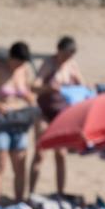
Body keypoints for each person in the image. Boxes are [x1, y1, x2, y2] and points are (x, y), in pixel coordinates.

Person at [0, 42, 39, 204]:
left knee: (20, 164)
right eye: (18, 61)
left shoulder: (24, 71)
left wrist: (30, 99)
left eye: (23, 62)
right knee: (0, 165)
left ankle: (19, 201)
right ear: (11, 58)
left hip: (20, 119)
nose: (19, 65)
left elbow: (27, 92)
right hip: (0, 119)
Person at [31, 36, 88, 196]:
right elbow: (34, 87)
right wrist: (49, 88)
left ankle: (60, 192)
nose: (66, 58)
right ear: (59, 51)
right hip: (45, 112)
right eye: (65, 54)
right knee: (40, 152)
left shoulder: (71, 66)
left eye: (70, 55)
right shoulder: (49, 64)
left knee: (61, 154)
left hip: (62, 114)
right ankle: (31, 191)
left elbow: (82, 86)